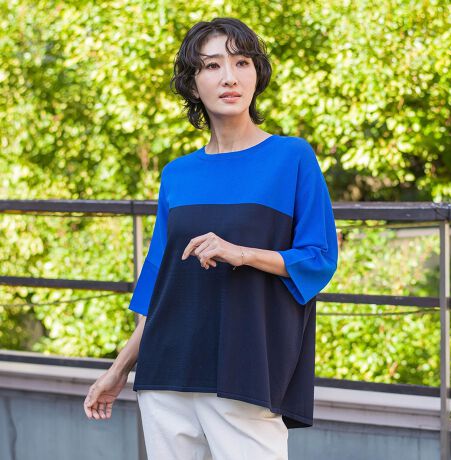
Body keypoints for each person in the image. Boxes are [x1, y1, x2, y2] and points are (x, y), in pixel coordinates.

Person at [83, 17, 338, 460]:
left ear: (257, 74)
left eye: (241, 63)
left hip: (245, 373)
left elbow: (318, 259)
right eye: (212, 65)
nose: (229, 77)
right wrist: (118, 370)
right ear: (192, 83)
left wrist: (241, 253)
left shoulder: (292, 157)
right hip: (166, 374)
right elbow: (157, 286)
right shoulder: (177, 174)